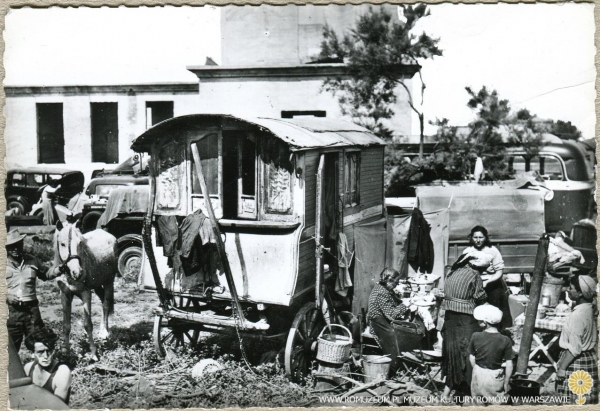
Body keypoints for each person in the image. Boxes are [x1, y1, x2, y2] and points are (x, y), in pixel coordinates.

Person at [441, 253, 487, 401]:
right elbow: (480, 296)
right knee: (468, 352)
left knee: (452, 353)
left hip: (450, 317)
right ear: (477, 266)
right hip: (465, 318)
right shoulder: (474, 275)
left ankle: (447, 392)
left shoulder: (452, 271)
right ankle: (468, 390)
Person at [6, 230, 60, 351]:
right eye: (11, 246)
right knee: (11, 349)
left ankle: (39, 367)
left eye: (18, 245)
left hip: (32, 311)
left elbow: (46, 274)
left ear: (22, 244)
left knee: (40, 343)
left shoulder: (32, 260)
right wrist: (6, 296)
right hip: (12, 312)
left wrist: (59, 270)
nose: (15, 249)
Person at [556, 275, 598, 404]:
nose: (568, 290)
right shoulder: (589, 309)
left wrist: (562, 368)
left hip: (575, 362)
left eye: (571, 288)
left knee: (572, 402)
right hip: (588, 359)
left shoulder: (577, 315)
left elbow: (574, 348)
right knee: (583, 401)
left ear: (580, 293)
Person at [462, 226, 511, 329]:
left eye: (481, 237)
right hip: (474, 285)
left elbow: (499, 272)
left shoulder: (492, 250)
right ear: (471, 238)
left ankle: (496, 331)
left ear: (485, 237)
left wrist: (488, 281)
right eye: (475, 237)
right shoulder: (467, 251)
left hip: (492, 283)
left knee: (494, 309)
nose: (478, 240)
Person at [367, 267, 411, 377]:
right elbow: (392, 315)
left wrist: (402, 301)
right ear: (389, 280)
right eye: (395, 282)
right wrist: (405, 304)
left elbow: (394, 302)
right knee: (393, 337)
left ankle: (401, 364)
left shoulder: (385, 289)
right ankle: (392, 370)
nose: (396, 285)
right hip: (377, 322)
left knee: (402, 332)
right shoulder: (381, 292)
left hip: (382, 320)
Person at [469, 304, 514, 405]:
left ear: (484, 323)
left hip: (478, 372)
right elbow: (509, 364)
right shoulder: (505, 340)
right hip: (495, 375)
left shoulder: (475, 336)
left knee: (477, 402)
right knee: (496, 403)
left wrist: (476, 369)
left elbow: (471, 357)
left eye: (479, 320)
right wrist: (506, 382)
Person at [24, 329, 72, 404]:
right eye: (40, 352)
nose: (46, 356)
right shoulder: (28, 368)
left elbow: (57, 407)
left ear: (53, 350)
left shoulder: (62, 371)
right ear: (32, 353)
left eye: (49, 351)